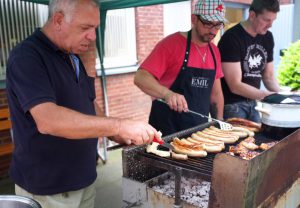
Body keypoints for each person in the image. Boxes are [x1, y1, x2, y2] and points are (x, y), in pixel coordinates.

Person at [6, 0, 160, 207]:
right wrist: (119, 125)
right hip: (49, 188)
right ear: (58, 20)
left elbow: (88, 103)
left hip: (84, 178)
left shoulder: (72, 56)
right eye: (85, 28)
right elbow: (48, 120)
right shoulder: (27, 57)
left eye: (95, 28)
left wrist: (116, 133)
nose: (93, 36)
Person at [134, 0, 225, 136]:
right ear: (194, 19)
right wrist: (167, 94)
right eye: (208, 23)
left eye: (217, 25)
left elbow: (216, 94)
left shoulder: (214, 51)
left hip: (198, 133)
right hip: (167, 131)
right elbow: (140, 77)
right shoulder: (171, 45)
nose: (213, 30)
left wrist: (220, 122)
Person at [218, 0, 281, 123]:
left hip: (255, 103)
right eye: (267, 20)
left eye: (273, 20)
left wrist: (282, 96)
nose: (270, 25)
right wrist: (266, 96)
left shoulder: (268, 37)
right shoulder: (232, 37)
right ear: (252, 15)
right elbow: (235, 85)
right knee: (239, 142)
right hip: (233, 105)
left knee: (258, 140)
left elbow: (268, 77)